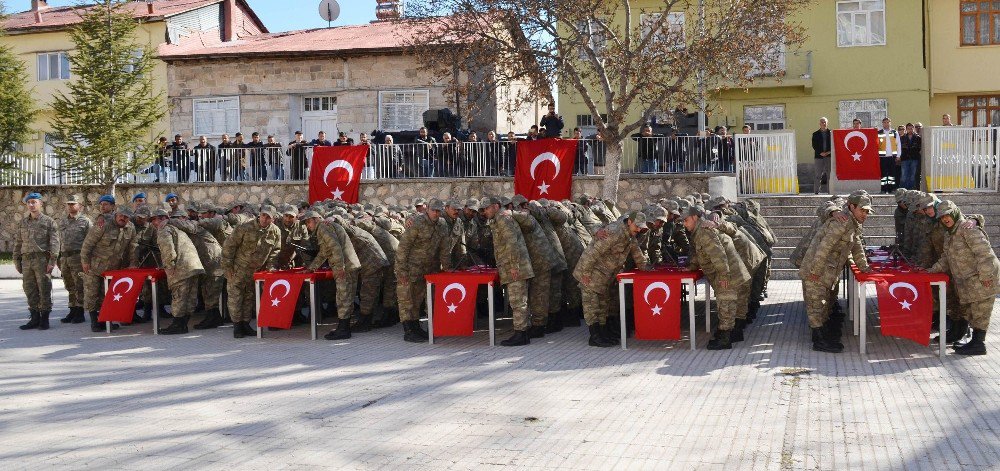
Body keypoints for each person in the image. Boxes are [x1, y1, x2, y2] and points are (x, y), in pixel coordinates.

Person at [800, 193, 873, 353]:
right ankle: (819, 342)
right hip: (817, 269)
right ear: (851, 207)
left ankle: (822, 335)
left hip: (827, 271)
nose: (865, 214)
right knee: (816, 305)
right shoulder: (842, 222)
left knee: (823, 304)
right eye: (862, 210)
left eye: (867, 212)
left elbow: (856, 246)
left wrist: (864, 267)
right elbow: (823, 248)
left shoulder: (853, 223)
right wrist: (815, 271)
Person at [927, 200, 1000, 355]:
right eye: (942, 217)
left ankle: (978, 344)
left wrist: (986, 275)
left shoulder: (968, 228)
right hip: (967, 282)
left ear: (954, 212)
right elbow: (946, 258)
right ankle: (973, 341)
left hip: (981, 280)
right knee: (972, 312)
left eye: (947, 214)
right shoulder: (950, 233)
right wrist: (931, 271)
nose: (945, 219)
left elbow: (985, 254)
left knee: (981, 312)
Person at [574, 211, 649, 347]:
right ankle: (595, 337)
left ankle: (602, 333)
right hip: (591, 273)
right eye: (637, 226)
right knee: (592, 305)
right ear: (630, 222)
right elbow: (593, 252)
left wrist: (647, 269)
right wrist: (585, 272)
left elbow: (637, 253)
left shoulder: (629, 235)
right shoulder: (615, 232)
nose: (638, 229)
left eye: (640, 227)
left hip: (605, 275)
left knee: (603, 305)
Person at [685, 205, 751, 350]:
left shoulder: (704, 231)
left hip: (727, 273)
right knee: (732, 304)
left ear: (695, 217)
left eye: (686, 220)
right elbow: (699, 254)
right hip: (730, 271)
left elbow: (718, 255)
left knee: (725, 304)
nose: (685, 224)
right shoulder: (699, 231)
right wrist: (691, 267)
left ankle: (725, 340)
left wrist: (723, 276)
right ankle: (734, 333)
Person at [394, 199, 452, 343]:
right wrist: (401, 271)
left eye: (439, 211)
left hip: (427, 269)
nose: (436, 214)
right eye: (433, 210)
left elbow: (444, 248)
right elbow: (403, 247)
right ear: (427, 210)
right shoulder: (417, 223)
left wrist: (447, 267)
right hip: (410, 268)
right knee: (406, 299)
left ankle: (416, 327)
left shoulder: (442, 224)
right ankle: (408, 331)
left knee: (417, 299)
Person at [481, 196, 535, 346]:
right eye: (484, 209)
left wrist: (514, 266)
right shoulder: (497, 220)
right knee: (519, 301)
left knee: (518, 301)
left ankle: (521, 334)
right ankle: (523, 332)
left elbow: (512, 243)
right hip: (513, 266)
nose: (485, 211)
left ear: (496, 206)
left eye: (487, 208)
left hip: (515, 267)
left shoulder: (503, 219)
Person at [222, 206, 281, 338]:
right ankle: (237, 326)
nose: (265, 219)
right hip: (238, 269)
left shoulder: (275, 231)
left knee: (249, 297)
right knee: (235, 297)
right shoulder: (244, 227)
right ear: (259, 215)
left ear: (274, 218)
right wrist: (227, 267)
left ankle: (245, 324)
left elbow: (275, 251)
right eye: (263, 215)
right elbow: (229, 246)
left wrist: (270, 268)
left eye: (269, 217)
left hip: (255, 271)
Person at [81, 207, 138, 333]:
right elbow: (87, 244)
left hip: (114, 269)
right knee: (92, 294)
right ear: (116, 214)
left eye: (126, 217)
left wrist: (133, 263)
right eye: (121, 216)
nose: (123, 218)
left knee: (107, 295)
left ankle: (105, 320)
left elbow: (133, 247)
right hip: (95, 267)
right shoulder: (103, 225)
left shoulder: (131, 228)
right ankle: (94, 322)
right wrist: (85, 262)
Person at [150, 209, 206, 335]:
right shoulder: (179, 229)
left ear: (163, 218)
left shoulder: (164, 230)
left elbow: (168, 251)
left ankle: (177, 325)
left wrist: (169, 268)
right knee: (190, 297)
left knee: (179, 296)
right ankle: (183, 324)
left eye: (155, 219)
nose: (153, 223)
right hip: (194, 266)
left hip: (181, 267)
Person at [307, 216, 362, 340]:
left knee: (343, 297)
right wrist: (312, 267)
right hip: (350, 265)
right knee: (347, 296)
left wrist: (339, 267)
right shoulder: (326, 226)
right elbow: (324, 251)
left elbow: (335, 247)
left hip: (344, 267)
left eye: (308, 221)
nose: (307, 225)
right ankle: (344, 327)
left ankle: (343, 330)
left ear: (315, 219)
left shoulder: (323, 227)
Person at [14, 193, 60, 331]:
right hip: (26, 260)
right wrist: (16, 259)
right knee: (29, 289)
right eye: (29, 202)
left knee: (44, 288)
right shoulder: (23, 222)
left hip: (42, 260)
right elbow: (18, 242)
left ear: (41, 204)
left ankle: (44, 319)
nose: (31, 205)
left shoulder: (49, 221)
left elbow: (55, 242)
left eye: (34, 202)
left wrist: (52, 261)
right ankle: (34, 318)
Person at [57, 194, 92, 325]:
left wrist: (87, 260)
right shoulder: (63, 221)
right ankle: (72, 309)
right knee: (69, 285)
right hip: (65, 258)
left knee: (79, 285)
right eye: (69, 204)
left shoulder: (85, 221)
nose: (70, 206)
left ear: (80, 206)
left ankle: (80, 311)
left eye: (73, 203)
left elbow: (90, 242)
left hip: (78, 257)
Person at [878, 117, 901, 193]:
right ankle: (884, 189)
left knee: (892, 174)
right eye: (885, 122)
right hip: (882, 157)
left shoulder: (895, 132)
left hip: (892, 157)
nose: (886, 124)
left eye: (888, 122)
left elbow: (898, 144)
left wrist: (898, 155)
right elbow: (876, 144)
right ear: (882, 123)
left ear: (890, 123)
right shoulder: (879, 132)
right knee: (884, 174)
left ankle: (891, 189)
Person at [811, 117, 832, 194]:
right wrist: (820, 152)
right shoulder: (815, 134)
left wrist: (829, 152)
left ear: (827, 123)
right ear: (819, 124)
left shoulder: (831, 133)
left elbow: (834, 144)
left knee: (829, 174)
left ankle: (830, 192)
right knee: (818, 175)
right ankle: (816, 192)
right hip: (818, 157)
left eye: (825, 122)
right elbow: (814, 145)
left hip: (829, 157)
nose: (823, 123)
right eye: (822, 122)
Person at [899, 123, 922, 190]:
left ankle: (912, 189)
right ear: (906, 129)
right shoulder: (902, 138)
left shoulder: (918, 138)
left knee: (913, 175)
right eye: (908, 129)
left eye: (911, 128)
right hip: (905, 159)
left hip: (914, 159)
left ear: (913, 129)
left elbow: (919, 148)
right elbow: (899, 148)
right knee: (904, 175)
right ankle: (903, 189)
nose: (910, 130)